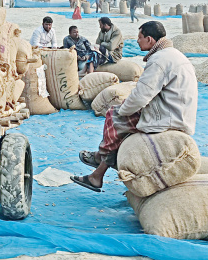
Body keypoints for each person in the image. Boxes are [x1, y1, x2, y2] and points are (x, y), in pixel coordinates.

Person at [71, 21, 198, 191]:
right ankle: (97, 174)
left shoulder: (159, 60)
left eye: (139, 37)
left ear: (150, 39)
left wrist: (124, 110)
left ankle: (101, 157)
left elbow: (141, 95)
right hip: (178, 113)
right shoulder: (174, 55)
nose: (137, 41)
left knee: (114, 116)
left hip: (169, 117)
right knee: (121, 124)